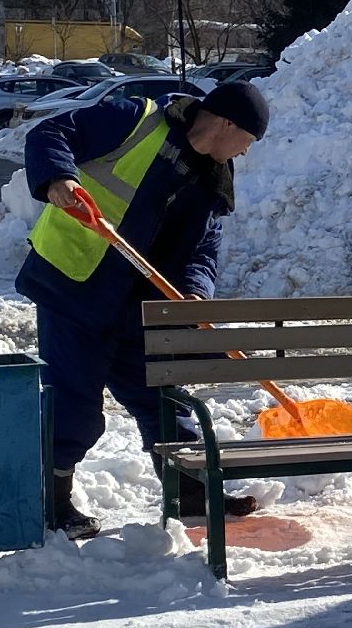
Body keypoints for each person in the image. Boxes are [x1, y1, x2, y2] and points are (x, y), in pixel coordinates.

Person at [16, 80, 272, 540]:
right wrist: (60, 179)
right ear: (228, 124)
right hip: (77, 285)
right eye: (249, 142)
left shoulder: (214, 179)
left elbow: (204, 248)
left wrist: (194, 291)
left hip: (139, 307)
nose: (247, 153)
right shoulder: (137, 120)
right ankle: (50, 505)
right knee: (75, 404)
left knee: (165, 401)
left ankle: (192, 495)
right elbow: (50, 134)